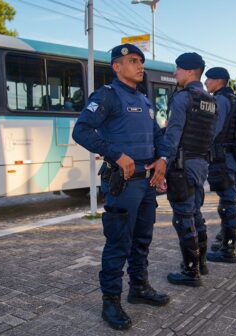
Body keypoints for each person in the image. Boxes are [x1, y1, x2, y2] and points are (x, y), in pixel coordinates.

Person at [72, 43, 170, 331]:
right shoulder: (107, 96)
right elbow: (81, 130)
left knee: (142, 240)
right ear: (117, 66)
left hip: (147, 183)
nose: (140, 66)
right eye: (133, 61)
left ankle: (139, 288)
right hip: (122, 183)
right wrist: (116, 153)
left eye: (141, 61)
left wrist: (162, 159)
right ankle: (110, 302)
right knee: (118, 243)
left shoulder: (145, 100)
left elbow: (158, 136)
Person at [164, 52, 217, 287]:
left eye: (177, 69)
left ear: (188, 71)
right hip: (201, 164)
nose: (175, 74)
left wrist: (163, 162)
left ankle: (190, 272)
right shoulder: (209, 99)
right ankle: (201, 263)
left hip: (182, 165)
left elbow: (173, 135)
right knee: (195, 213)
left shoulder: (183, 98)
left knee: (183, 217)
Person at [203, 67, 236, 264]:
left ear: (218, 81)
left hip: (223, 156)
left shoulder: (220, 100)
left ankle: (228, 250)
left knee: (227, 204)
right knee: (228, 201)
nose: (205, 83)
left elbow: (213, 129)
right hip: (234, 154)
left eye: (208, 80)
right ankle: (226, 244)